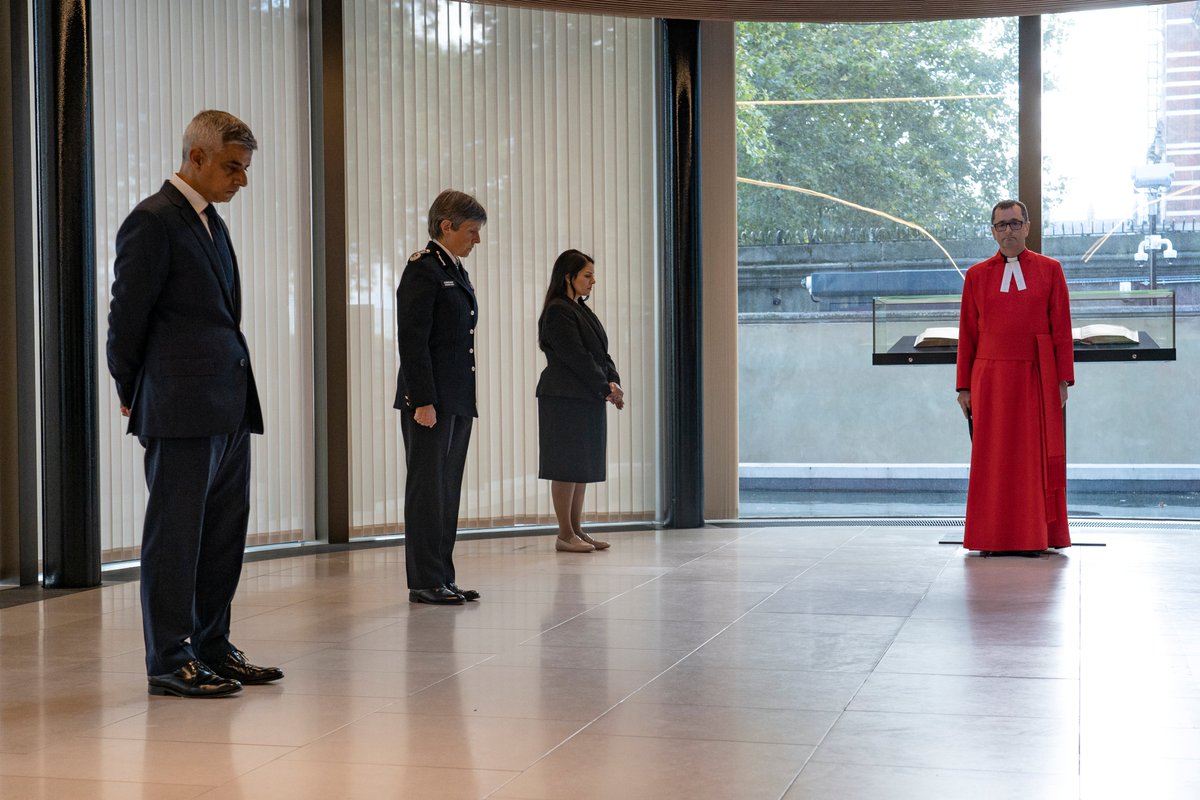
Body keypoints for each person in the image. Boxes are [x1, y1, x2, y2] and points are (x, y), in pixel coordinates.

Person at [106, 110, 283, 697]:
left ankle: (212, 645)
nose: (242, 180)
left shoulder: (210, 222)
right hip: (180, 407)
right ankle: (169, 658)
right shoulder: (153, 221)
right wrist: (134, 391)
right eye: (233, 167)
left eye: (246, 169)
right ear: (197, 157)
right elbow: (125, 320)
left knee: (222, 536)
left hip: (228, 405)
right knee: (177, 538)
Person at [956, 199, 1074, 556]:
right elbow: (967, 334)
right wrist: (963, 386)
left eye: (1013, 223)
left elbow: (1062, 329)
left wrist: (1063, 380)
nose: (1007, 231)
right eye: (1000, 225)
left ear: (1027, 226)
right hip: (989, 380)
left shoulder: (1050, 269)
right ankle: (992, 537)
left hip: (1036, 377)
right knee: (993, 460)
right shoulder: (976, 275)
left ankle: (1033, 536)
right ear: (993, 231)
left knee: (1032, 459)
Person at [395, 190, 487, 604]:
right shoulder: (423, 270)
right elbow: (413, 343)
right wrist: (423, 400)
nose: (477, 240)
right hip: (430, 402)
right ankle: (424, 581)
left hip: (456, 399)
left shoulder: (456, 270)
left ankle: (443, 576)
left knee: (447, 490)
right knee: (427, 491)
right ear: (445, 226)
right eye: (471, 231)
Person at [536, 249, 625, 553]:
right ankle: (564, 534)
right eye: (587, 275)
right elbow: (577, 357)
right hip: (564, 397)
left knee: (581, 465)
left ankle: (576, 530)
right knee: (565, 465)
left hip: (586, 395)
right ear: (568, 277)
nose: (593, 281)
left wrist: (613, 381)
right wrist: (605, 387)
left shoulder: (581, 309)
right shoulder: (558, 310)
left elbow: (602, 354)